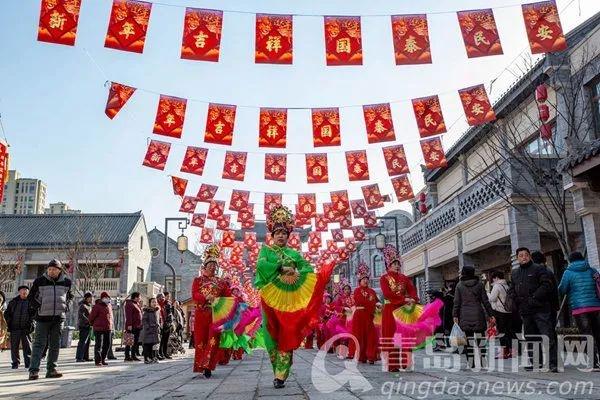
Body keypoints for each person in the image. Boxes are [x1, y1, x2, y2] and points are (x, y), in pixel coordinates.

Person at [254, 204, 334, 389]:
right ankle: (279, 367)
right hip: (269, 299)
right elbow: (261, 267)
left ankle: (280, 375)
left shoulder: (294, 253)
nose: (281, 235)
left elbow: (307, 269)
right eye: (277, 232)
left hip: (290, 302)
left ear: (289, 235)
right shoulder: (266, 251)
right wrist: (281, 268)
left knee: (287, 332)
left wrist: (297, 273)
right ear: (272, 235)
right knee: (270, 336)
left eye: (284, 232)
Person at [511, 247, 559, 372]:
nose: (524, 257)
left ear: (530, 256)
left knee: (547, 335)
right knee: (531, 337)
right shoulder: (515, 273)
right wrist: (515, 300)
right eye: (521, 255)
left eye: (526, 255)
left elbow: (546, 285)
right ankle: (536, 363)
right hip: (525, 311)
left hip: (541, 309)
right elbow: (512, 289)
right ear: (517, 258)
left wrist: (534, 298)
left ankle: (553, 363)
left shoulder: (539, 269)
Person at [27, 259, 73, 380]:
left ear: (59, 270)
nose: (51, 271)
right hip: (42, 318)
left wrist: (66, 306)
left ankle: (51, 369)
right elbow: (31, 297)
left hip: (58, 318)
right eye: (50, 269)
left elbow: (70, 296)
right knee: (38, 344)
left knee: (55, 345)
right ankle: (33, 370)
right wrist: (39, 307)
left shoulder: (66, 282)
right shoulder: (39, 281)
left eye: (54, 269)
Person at [191, 244, 230, 378]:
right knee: (200, 341)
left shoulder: (221, 282)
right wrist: (205, 297)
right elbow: (195, 295)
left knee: (213, 340)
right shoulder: (198, 280)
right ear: (205, 266)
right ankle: (201, 365)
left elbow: (228, 297)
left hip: (215, 315)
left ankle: (208, 366)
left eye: (215, 265)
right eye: (210, 264)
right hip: (201, 314)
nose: (213, 267)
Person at [558, 251, 600, 369]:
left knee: (586, 335)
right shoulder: (592, 270)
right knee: (598, 333)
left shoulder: (568, 272)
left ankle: (593, 363)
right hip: (596, 306)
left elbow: (562, 289)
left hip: (580, 309)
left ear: (570, 261)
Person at [380, 246, 418, 372]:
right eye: (394, 264)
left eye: (398, 264)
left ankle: (406, 362)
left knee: (404, 336)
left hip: (403, 310)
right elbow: (387, 294)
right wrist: (404, 299)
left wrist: (413, 298)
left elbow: (412, 289)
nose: (397, 266)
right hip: (390, 309)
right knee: (392, 337)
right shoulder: (384, 278)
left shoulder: (404, 278)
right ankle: (393, 365)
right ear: (388, 265)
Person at [453, 266, 494, 369]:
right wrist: (491, 314)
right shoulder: (479, 285)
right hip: (478, 314)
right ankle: (483, 360)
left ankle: (471, 362)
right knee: (481, 340)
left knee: (469, 340)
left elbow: (456, 302)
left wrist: (455, 315)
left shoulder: (459, 285)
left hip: (464, 315)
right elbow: (485, 301)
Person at [352, 263, 379, 364]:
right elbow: (360, 301)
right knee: (360, 336)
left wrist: (378, 304)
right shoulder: (357, 291)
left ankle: (371, 356)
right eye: (363, 279)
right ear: (360, 281)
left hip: (369, 316)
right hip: (359, 315)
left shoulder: (372, 291)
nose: (366, 280)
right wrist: (372, 304)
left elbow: (376, 301)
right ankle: (361, 356)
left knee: (371, 336)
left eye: (367, 279)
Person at [5, 286, 34, 369]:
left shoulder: (31, 302)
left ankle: (28, 363)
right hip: (15, 328)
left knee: (27, 346)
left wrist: (32, 324)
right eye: (22, 290)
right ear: (19, 292)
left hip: (26, 328)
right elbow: (7, 313)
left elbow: (35, 314)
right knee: (14, 346)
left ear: (28, 292)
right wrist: (9, 322)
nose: (24, 292)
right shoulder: (13, 302)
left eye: (26, 290)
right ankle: (15, 363)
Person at [488, 271, 515, 359]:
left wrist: (488, 294)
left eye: (493, 278)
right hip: (509, 311)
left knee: (502, 333)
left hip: (500, 312)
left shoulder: (497, 286)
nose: (493, 280)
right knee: (509, 332)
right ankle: (511, 351)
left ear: (496, 277)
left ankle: (504, 352)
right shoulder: (506, 285)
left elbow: (492, 298)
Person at [89, 292, 114, 366]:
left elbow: (111, 317)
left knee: (107, 344)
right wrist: (92, 324)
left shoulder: (109, 305)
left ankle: (103, 358)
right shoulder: (97, 306)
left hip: (108, 327)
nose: (107, 299)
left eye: (108, 297)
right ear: (102, 298)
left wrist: (112, 325)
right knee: (98, 344)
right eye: (106, 297)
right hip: (98, 328)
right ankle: (98, 360)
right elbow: (91, 317)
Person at [141, 297, 161, 364]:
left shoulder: (156, 311)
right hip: (148, 331)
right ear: (149, 303)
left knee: (154, 345)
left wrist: (159, 326)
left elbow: (158, 320)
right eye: (153, 302)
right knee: (147, 345)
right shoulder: (147, 311)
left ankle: (153, 357)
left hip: (155, 330)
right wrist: (147, 327)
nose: (154, 303)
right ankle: (146, 358)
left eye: (155, 302)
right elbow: (144, 320)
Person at [124, 292, 143, 362]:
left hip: (137, 326)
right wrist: (129, 325)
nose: (140, 298)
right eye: (139, 297)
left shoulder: (136, 304)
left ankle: (133, 355)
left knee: (135, 342)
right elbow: (128, 316)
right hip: (132, 326)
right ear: (136, 297)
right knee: (129, 341)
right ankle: (127, 356)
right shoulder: (129, 304)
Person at [75, 292, 93, 362]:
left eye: (92, 297)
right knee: (82, 342)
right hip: (83, 326)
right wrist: (89, 320)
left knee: (87, 342)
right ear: (86, 298)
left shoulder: (89, 305)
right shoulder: (82, 305)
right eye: (90, 297)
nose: (91, 299)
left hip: (88, 326)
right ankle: (79, 357)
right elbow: (81, 315)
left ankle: (86, 357)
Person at [157, 292, 174, 360]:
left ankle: (164, 352)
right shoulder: (158, 305)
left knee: (166, 339)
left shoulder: (167, 304)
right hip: (161, 325)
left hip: (167, 324)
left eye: (163, 297)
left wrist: (169, 323)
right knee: (161, 340)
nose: (162, 299)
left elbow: (170, 314)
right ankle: (160, 353)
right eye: (161, 297)